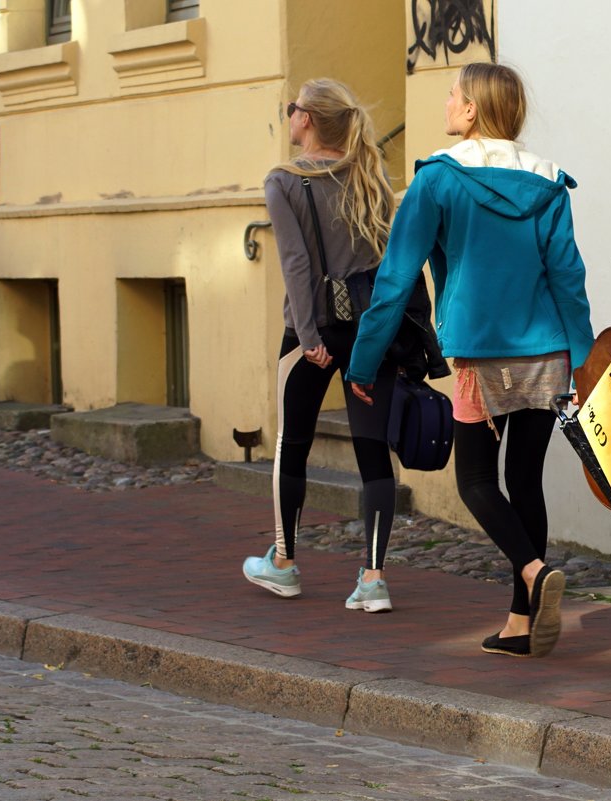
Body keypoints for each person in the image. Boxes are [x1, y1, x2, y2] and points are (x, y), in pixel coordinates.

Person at [346, 63, 594, 657]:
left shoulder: (438, 179)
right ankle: (520, 624)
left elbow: (395, 278)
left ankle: (533, 578)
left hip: (480, 359)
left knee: (477, 481)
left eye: (454, 93)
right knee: (524, 482)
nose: (447, 99)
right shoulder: (548, 182)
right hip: (548, 354)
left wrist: (362, 361)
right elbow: (568, 277)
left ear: (474, 110)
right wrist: (583, 360)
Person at [242, 78, 402, 613]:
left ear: (306, 119)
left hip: (309, 333)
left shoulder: (282, 181)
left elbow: (295, 264)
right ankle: (374, 578)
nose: (288, 116)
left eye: (292, 109)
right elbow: (386, 262)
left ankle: (284, 564)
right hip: (369, 330)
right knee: (372, 448)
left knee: (294, 444)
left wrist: (309, 338)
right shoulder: (369, 174)